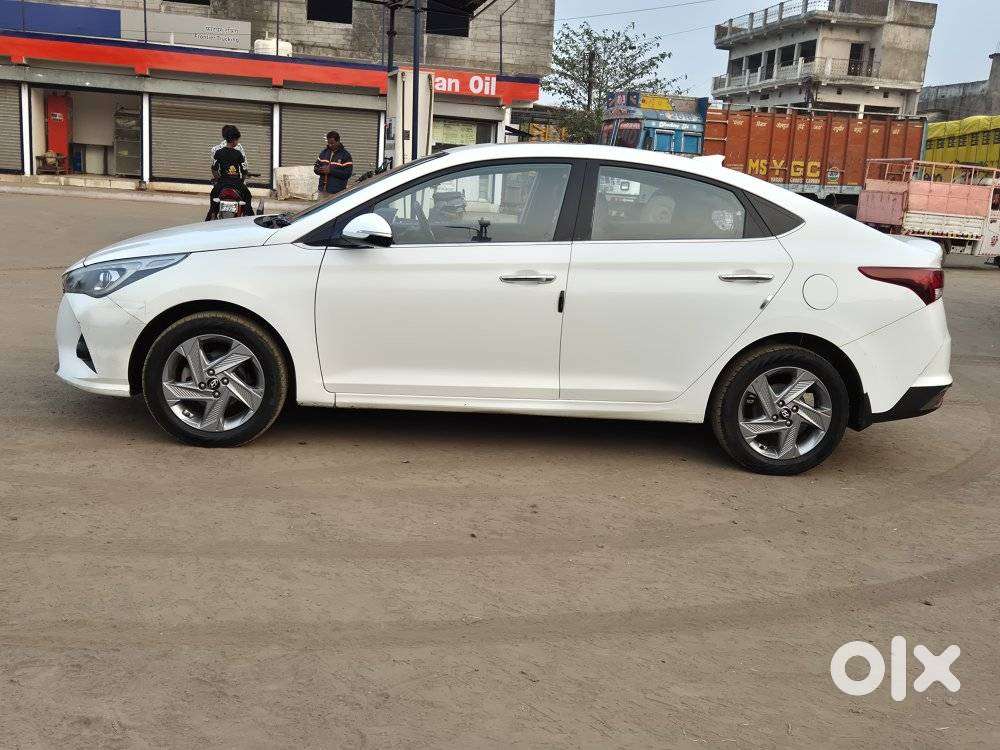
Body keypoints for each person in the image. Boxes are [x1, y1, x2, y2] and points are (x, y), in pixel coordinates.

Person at [207, 124, 254, 219]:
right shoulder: (238, 153)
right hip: (237, 184)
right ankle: (248, 217)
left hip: (222, 183)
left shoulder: (218, 152)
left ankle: (211, 215)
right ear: (235, 140)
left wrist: (218, 179)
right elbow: (244, 171)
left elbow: (214, 169)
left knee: (213, 195)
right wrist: (241, 180)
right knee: (248, 196)